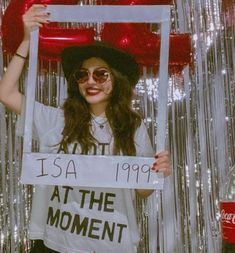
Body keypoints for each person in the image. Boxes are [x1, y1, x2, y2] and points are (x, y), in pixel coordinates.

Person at [0, 4, 172, 253]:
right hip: (56, 244)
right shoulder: (57, 120)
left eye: (101, 74)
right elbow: (6, 93)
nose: (90, 81)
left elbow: (142, 191)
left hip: (110, 244)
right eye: (83, 75)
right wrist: (27, 40)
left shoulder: (132, 127)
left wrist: (158, 171)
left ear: (116, 80)